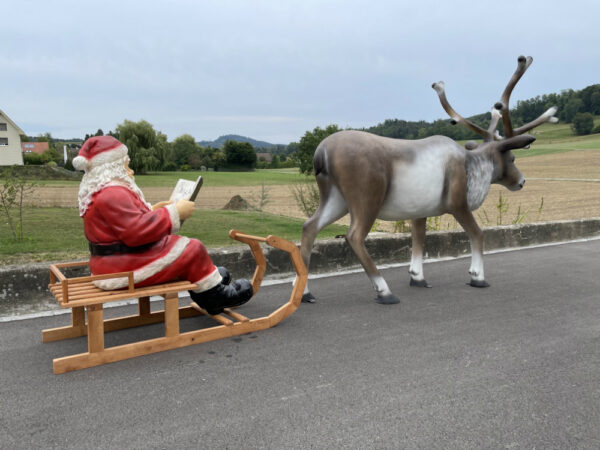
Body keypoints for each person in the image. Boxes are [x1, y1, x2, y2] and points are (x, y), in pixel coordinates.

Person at [72, 135, 252, 314]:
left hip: (112, 263)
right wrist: (175, 213)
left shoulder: (99, 192)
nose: (131, 171)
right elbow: (136, 231)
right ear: (112, 167)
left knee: (176, 246)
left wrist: (157, 209)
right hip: (123, 267)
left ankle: (208, 279)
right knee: (192, 248)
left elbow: (125, 222)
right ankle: (214, 297)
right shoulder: (113, 193)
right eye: (126, 165)